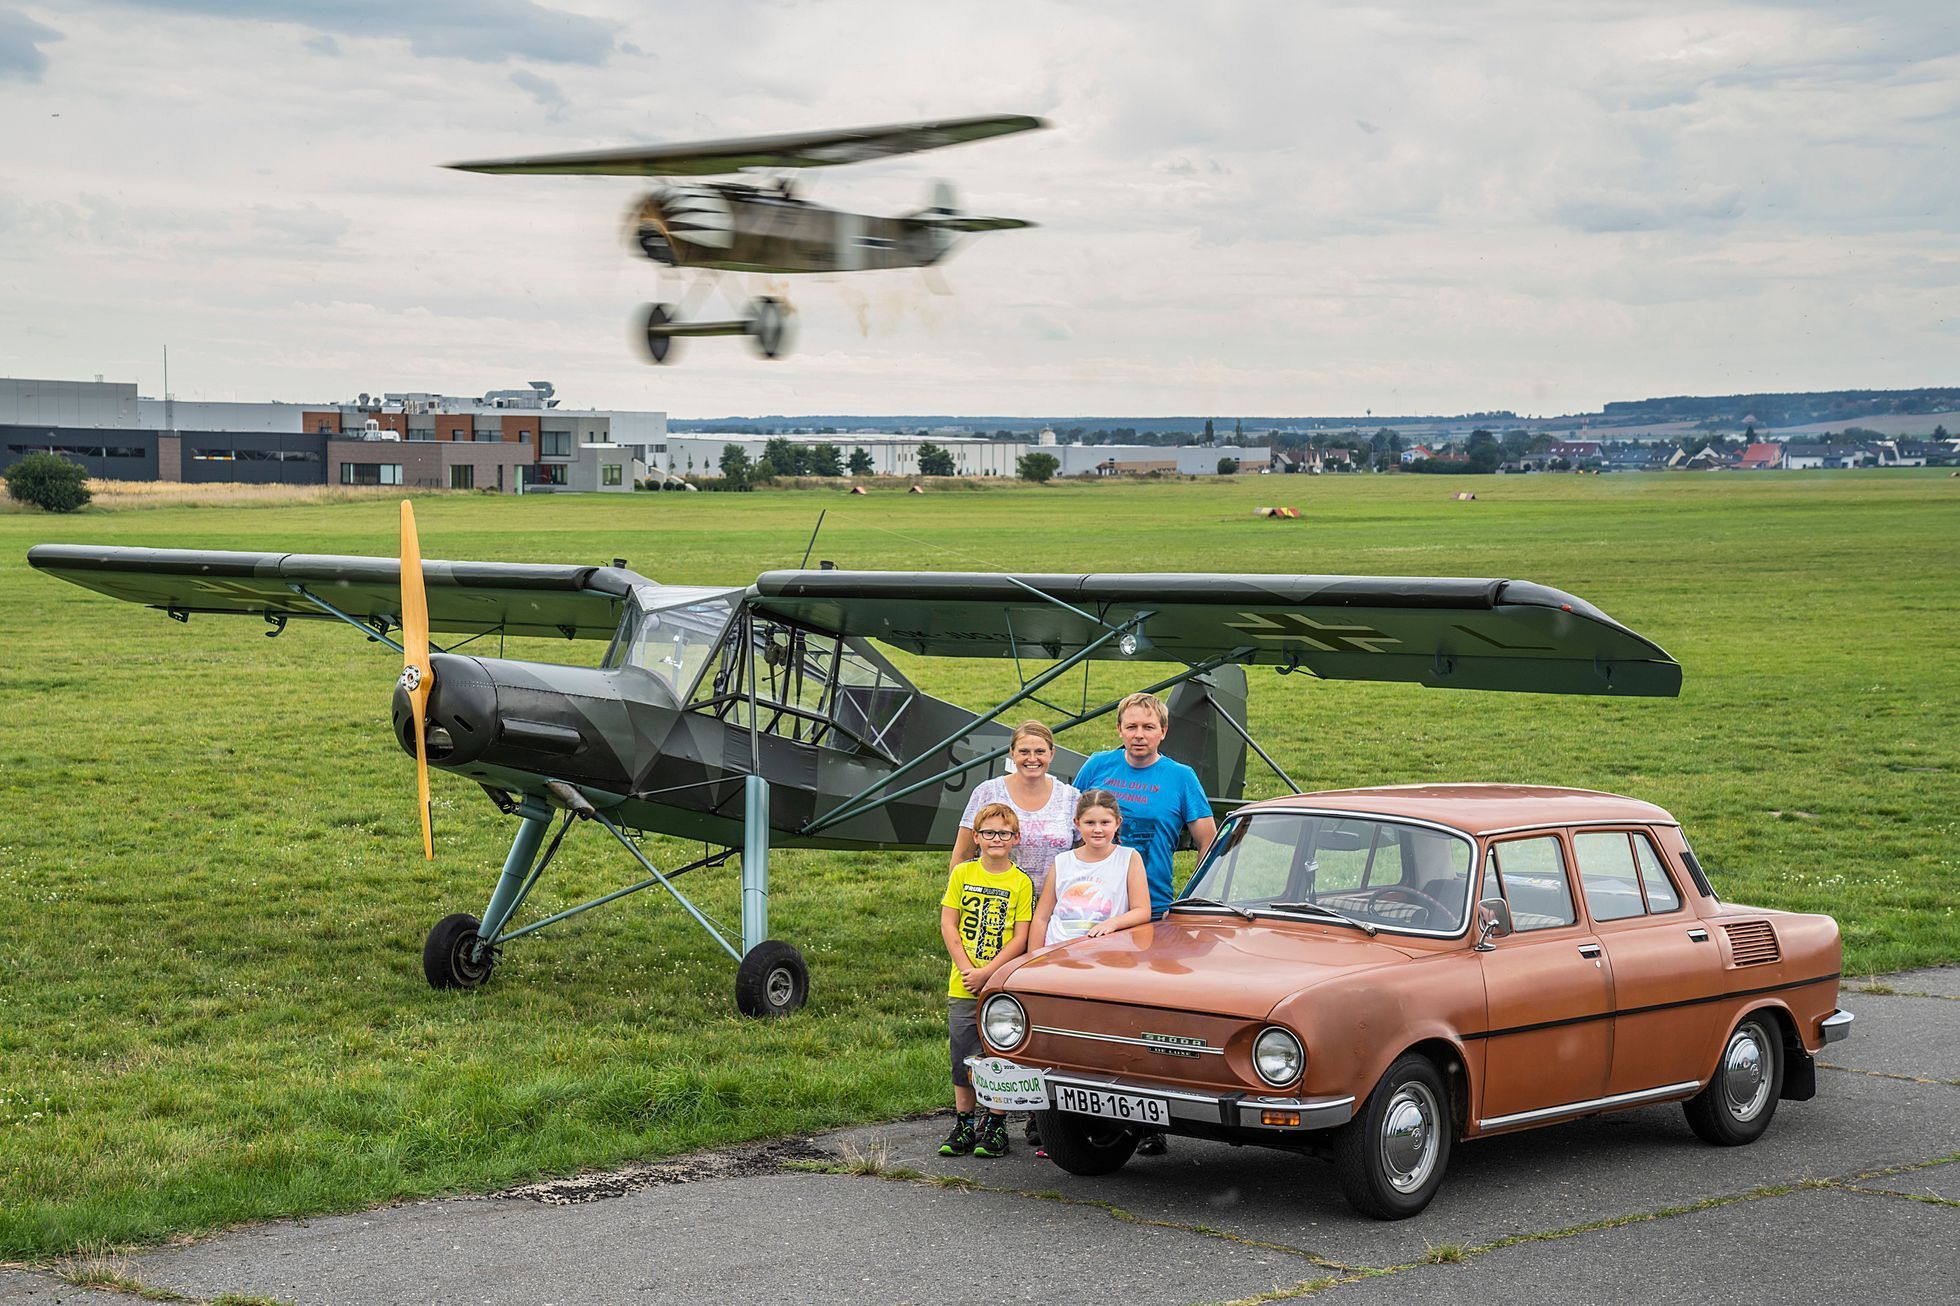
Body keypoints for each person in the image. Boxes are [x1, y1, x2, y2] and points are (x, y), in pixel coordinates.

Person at [1069, 691, 1217, 1156]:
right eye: (1131, 726)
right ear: (1119, 730)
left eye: (1148, 727)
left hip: (1147, 910)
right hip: (1089, 911)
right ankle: (1070, 1115)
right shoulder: (1096, 766)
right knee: (1085, 1014)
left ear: (1163, 732)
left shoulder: (1180, 777)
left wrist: (1197, 899)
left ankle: (1148, 1119)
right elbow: (1071, 822)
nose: (1139, 735)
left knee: (1139, 1019)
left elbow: (1206, 840)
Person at [937, 801, 1034, 1159]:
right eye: (989, 833)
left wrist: (989, 972)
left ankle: (995, 1124)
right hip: (963, 982)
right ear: (976, 837)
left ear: (1015, 838)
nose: (996, 838)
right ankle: (964, 1121)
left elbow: (1021, 937)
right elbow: (949, 923)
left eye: (1004, 833)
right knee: (963, 1054)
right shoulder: (963, 874)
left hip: (1000, 983)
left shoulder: (1020, 882)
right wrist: (967, 969)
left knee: (999, 1055)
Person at [948, 720, 1079, 901]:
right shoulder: (988, 792)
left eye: (1040, 752)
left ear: (1052, 753)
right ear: (1012, 753)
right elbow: (963, 854)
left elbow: (1085, 856)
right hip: (996, 904)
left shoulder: (1071, 798)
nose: (1032, 759)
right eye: (1024, 751)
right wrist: (955, 903)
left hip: (1054, 907)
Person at [1031, 788, 1152, 950]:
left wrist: (1113, 923)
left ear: (1117, 823)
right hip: (1057, 951)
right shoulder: (1062, 861)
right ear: (1077, 823)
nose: (1097, 829)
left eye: (1105, 822)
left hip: (1103, 953)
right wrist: (1032, 958)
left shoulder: (1128, 858)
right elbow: (1041, 917)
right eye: (1090, 823)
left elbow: (1142, 910)